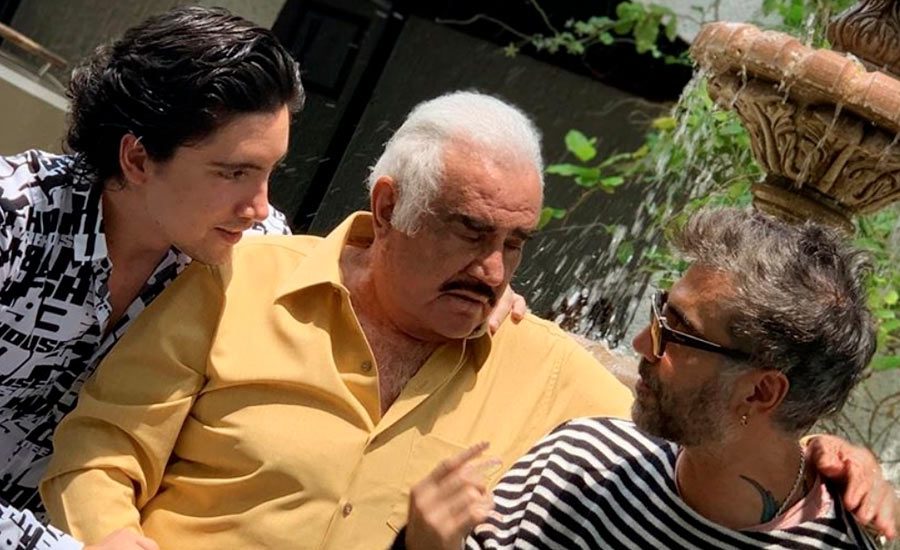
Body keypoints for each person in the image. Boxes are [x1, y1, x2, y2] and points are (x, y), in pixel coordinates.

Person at [40, 91, 894, 549]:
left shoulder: (548, 372)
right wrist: (112, 539)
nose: (493, 270)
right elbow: (101, 448)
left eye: (515, 244)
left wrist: (819, 444)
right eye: (470, 231)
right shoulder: (241, 280)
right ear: (389, 206)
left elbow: (702, 425)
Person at [401, 207, 894, 549]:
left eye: (677, 333)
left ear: (761, 391)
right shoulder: (579, 465)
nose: (642, 343)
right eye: (661, 312)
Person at [0, 4, 302, 546]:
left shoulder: (254, 255)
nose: (259, 206)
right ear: (137, 159)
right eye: (234, 172)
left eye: (269, 172)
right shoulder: (13, 220)